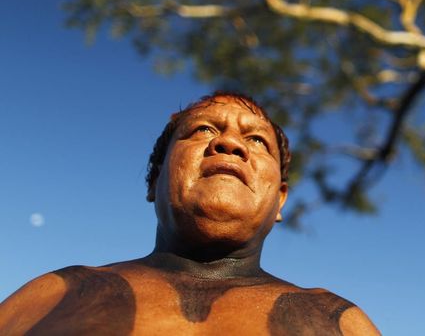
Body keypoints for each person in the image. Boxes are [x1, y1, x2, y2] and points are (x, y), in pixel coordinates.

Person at [0, 92, 379, 335]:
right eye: (202, 130)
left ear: (280, 200)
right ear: (154, 181)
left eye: (256, 140)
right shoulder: (53, 292)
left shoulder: (338, 320)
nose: (229, 143)